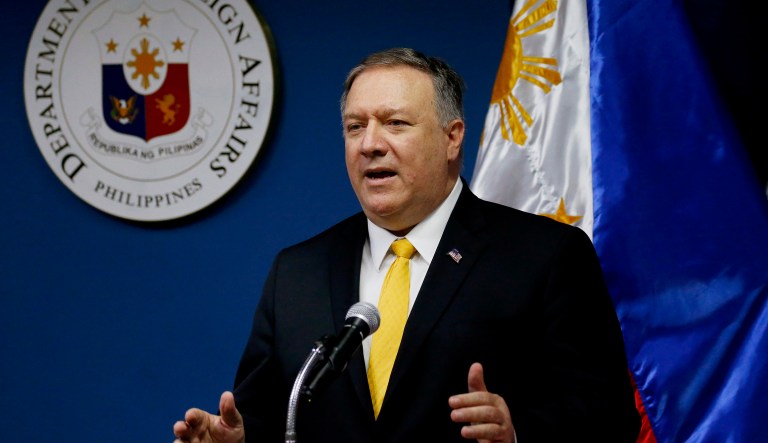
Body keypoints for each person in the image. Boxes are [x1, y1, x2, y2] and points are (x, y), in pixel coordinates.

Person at [173, 47, 640, 443]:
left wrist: (519, 432)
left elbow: (609, 418)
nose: (370, 144)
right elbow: (270, 416)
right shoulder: (297, 272)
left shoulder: (546, 255)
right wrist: (238, 439)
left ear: (452, 137)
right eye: (355, 127)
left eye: (394, 123)